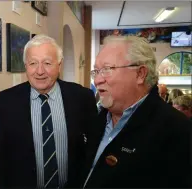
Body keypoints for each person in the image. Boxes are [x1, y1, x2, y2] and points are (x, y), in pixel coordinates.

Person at [81, 36, 191, 188]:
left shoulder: (178, 130)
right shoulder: (96, 120)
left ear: (140, 74)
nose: (97, 80)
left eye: (107, 69)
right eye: (96, 71)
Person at [0, 34, 98, 188]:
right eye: (33, 63)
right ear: (25, 66)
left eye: (47, 63)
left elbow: (93, 147)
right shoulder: (7, 100)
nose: (39, 71)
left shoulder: (82, 97)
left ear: (59, 65)